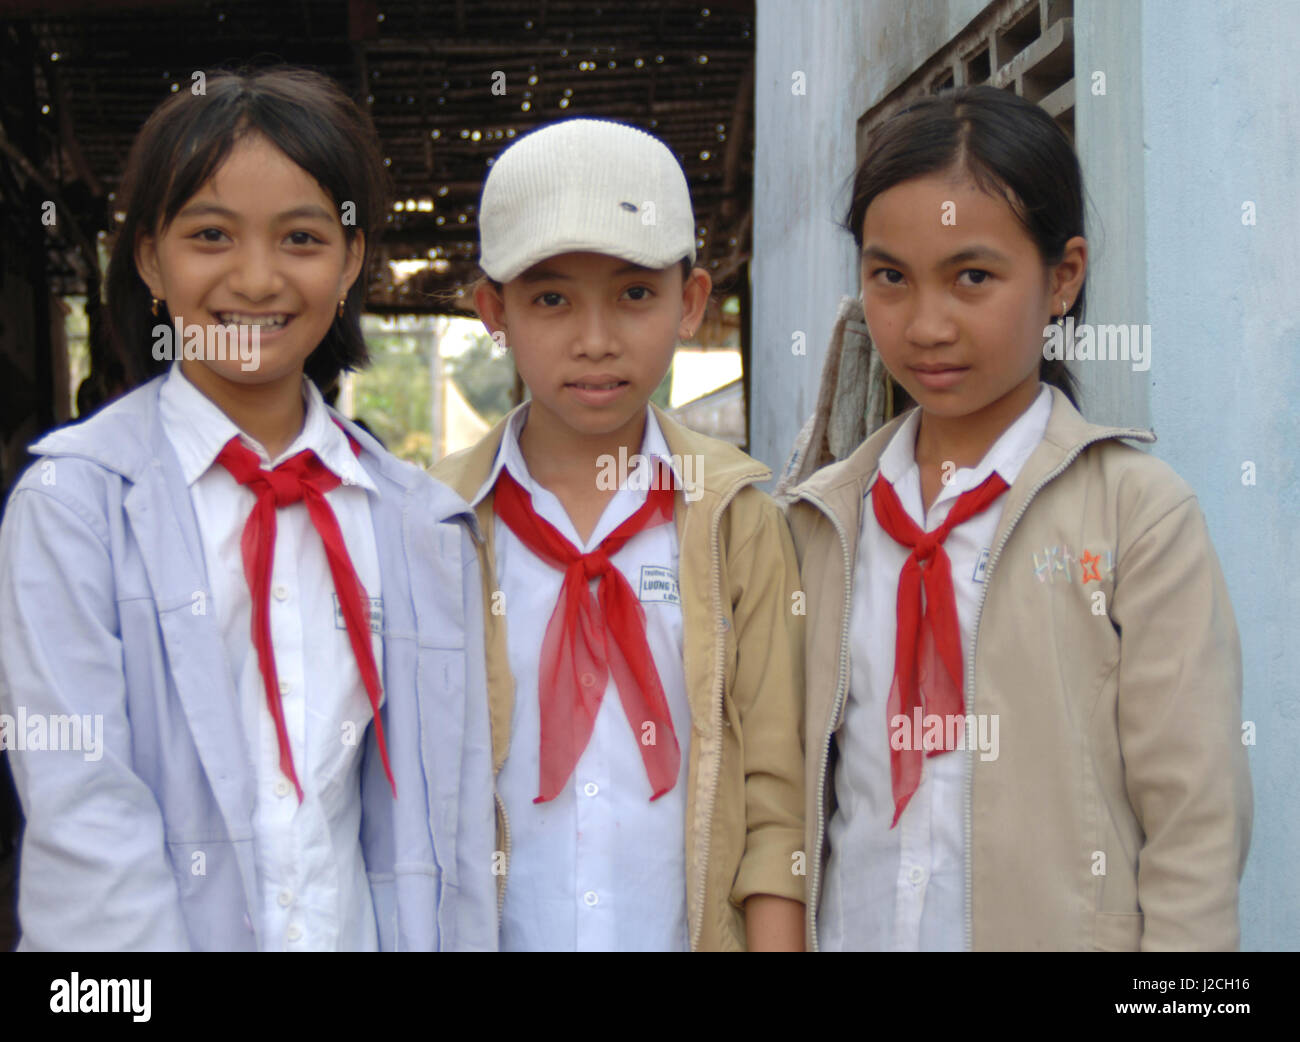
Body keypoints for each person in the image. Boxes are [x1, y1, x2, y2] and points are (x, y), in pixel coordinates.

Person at [0, 67, 495, 951]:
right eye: (212, 234)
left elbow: (439, 828)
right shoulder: (71, 505)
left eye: (301, 237)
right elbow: (83, 813)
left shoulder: (422, 527)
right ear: (151, 258)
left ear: (351, 262)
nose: (256, 279)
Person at [785, 86, 1251, 951]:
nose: (927, 323)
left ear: (1062, 276)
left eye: (973, 277)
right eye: (890, 277)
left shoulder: (1136, 518)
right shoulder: (825, 520)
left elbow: (1195, 821)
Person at [432, 118, 805, 951]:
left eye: (635, 293)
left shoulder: (737, 521)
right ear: (494, 310)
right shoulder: (435, 522)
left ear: (692, 302)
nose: (595, 340)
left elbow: (778, 796)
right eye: (551, 298)